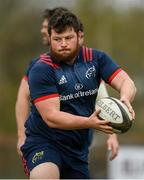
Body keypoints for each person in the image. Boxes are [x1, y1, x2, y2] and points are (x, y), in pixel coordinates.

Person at [19, 11, 136, 179]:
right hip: (44, 142)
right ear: (50, 38)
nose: (63, 44)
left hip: (76, 149)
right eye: (57, 39)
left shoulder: (96, 59)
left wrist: (125, 98)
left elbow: (127, 82)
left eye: (68, 38)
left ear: (80, 36)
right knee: (44, 176)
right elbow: (51, 117)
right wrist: (89, 122)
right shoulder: (41, 69)